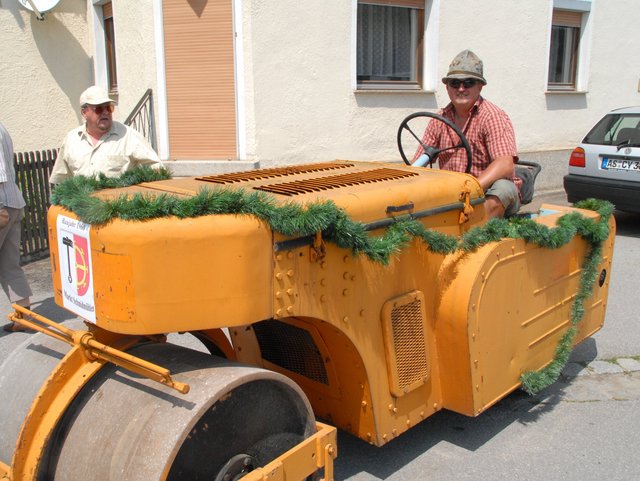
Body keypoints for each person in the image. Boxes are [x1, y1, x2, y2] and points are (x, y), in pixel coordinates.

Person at [413, 50, 521, 218]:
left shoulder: (492, 116)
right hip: (451, 192)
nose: (461, 88)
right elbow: (419, 161)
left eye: (468, 83)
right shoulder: (440, 118)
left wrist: (472, 188)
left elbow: (505, 163)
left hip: (485, 191)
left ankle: (474, 233)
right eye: (455, 83)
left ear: (480, 86)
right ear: (447, 87)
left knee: (503, 189)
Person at [49, 86, 162, 184]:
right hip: (82, 208)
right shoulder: (71, 140)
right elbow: (61, 181)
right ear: (84, 112)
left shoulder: (129, 136)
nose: (106, 112)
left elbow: (157, 169)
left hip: (117, 207)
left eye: (108, 107)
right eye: (98, 109)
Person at [0, 121, 33, 332]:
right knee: (9, 263)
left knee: (9, 264)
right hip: (13, 202)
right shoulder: (2, 126)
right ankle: (24, 317)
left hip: (2, 205)